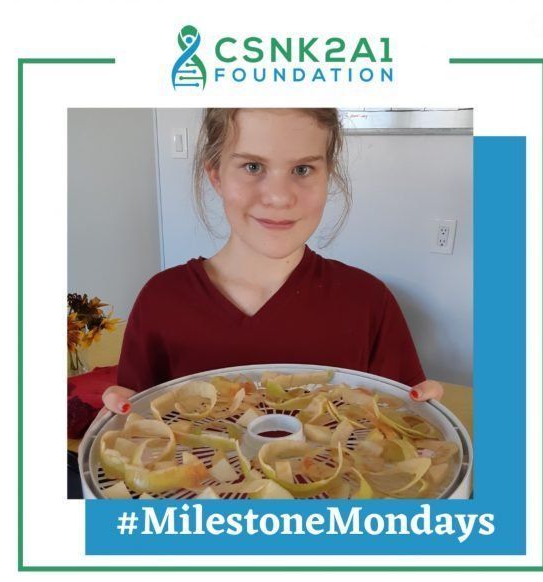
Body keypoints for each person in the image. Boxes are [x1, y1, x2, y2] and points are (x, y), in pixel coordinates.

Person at [103, 108, 443, 415]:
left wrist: (423, 420)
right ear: (216, 176)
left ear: (328, 176)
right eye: (252, 166)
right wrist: (116, 422)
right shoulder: (162, 301)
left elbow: (397, 426)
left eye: (302, 169)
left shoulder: (369, 302)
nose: (279, 197)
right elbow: (136, 429)